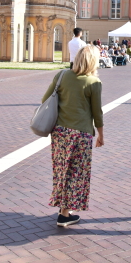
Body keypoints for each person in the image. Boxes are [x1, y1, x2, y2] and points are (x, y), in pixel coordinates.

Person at [43, 45, 104, 227]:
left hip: (60, 132)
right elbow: (97, 112)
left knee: (61, 170)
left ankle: (63, 208)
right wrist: (101, 134)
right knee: (76, 172)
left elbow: (45, 99)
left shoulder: (62, 76)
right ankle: (65, 213)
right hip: (81, 133)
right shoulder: (93, 82)